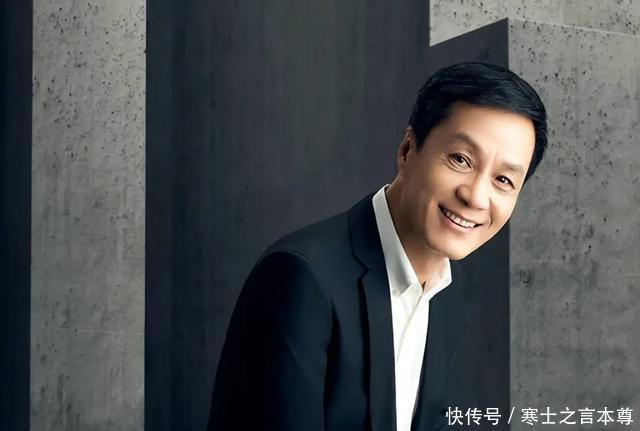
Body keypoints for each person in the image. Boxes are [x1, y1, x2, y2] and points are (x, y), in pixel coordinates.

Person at [207, 62, 548, 431]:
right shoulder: (301, 278)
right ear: (407, 150)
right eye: (460, 159)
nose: (476, 197)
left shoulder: (446, 287)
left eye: (503, 180)